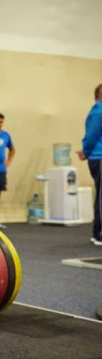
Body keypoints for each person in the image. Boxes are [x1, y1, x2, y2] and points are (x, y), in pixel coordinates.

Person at [77, 83, 102, 246]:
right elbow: (92, 135)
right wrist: (86, 151)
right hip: (99, 157)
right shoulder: (98, 111)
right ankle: (98, 233)